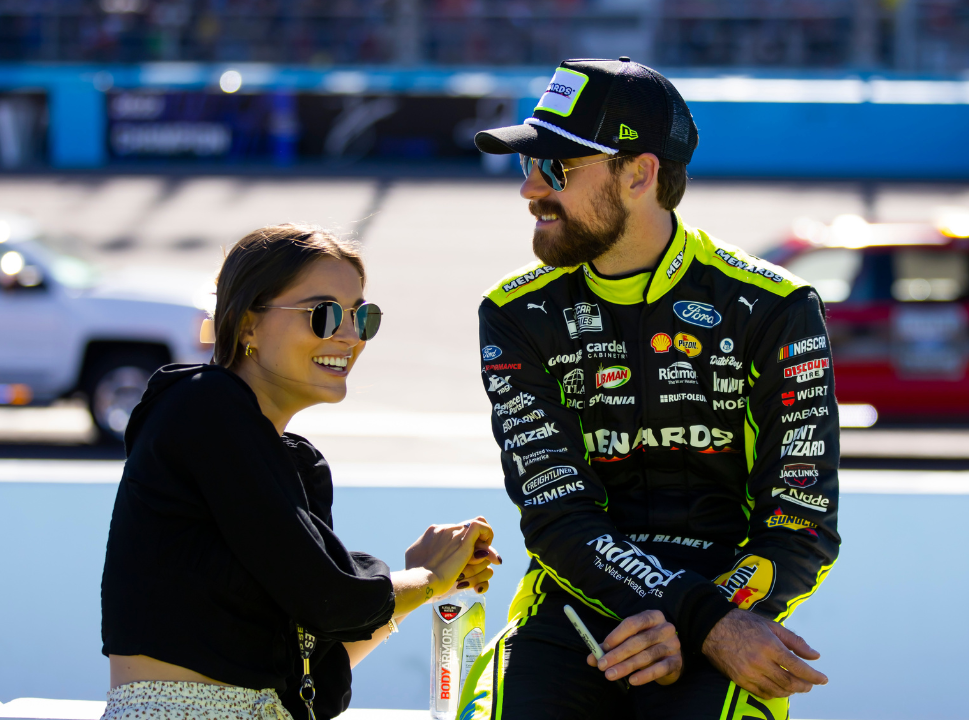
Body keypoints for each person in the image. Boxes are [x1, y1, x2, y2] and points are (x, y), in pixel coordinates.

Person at [459, 58, 840, 720]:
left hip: (731, 605)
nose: (529, 189)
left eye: (554, 168)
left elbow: (798, 522)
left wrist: (709, 620)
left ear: (639, 173)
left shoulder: (774, 307)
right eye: (526, 165)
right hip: (575, 602)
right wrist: (691, 616)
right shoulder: (516, 313)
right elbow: (559, 515)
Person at [100, 224, 502, 720]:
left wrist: (420, 584)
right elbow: (331, 598)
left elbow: (316, 675)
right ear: (247, 324)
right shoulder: (202, 405)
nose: (351, 336)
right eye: (324, 314)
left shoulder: (292, 461)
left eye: (362, 316)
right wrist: (426, 579)